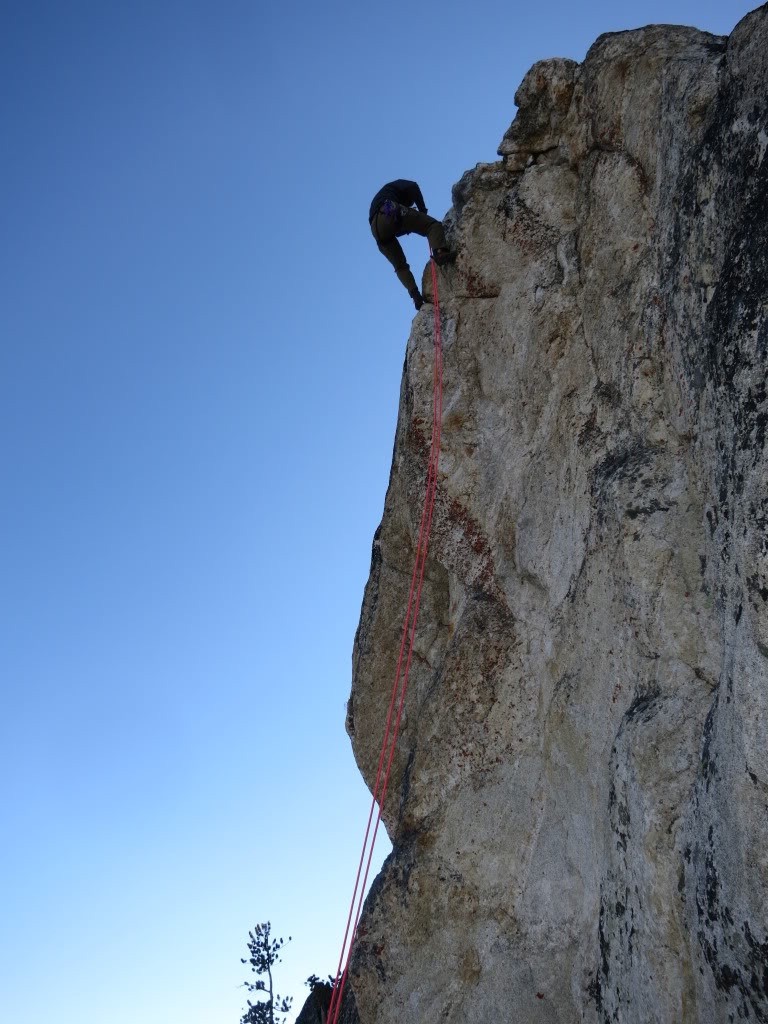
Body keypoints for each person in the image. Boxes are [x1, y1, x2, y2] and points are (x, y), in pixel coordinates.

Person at [369, 179, 456, 310]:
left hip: (376, 230)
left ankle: (415, 296)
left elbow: (397, 229)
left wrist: (409, 225)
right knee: (432, 225)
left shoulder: (386, 193)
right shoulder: (398, 185)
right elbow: (413, 186)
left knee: (400, 266)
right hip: (388, 209)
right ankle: (440, 253)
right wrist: (422, 210)